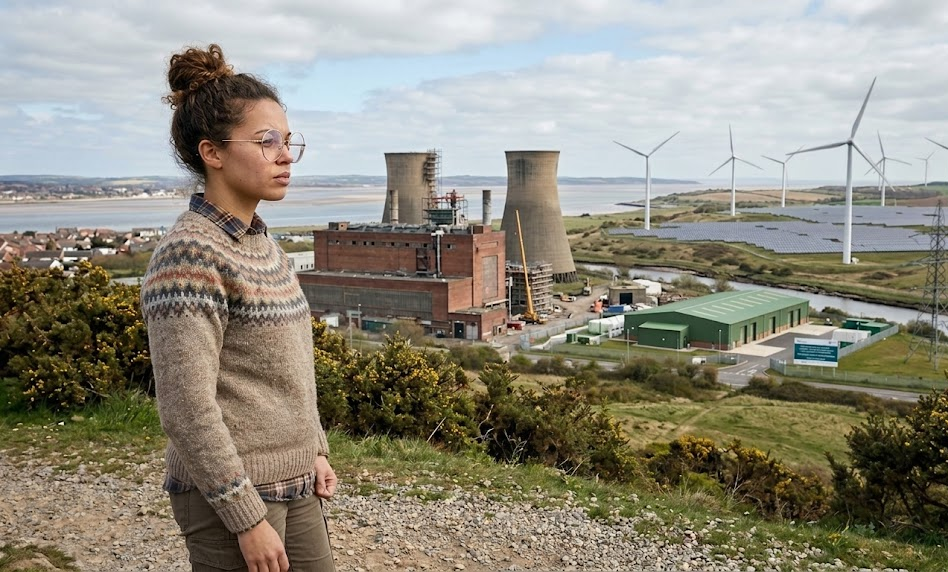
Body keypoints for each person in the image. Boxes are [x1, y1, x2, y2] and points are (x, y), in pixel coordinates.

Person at [141, 43, 337, 572]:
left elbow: (289, 366)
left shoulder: (261, 243)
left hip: (296, 482)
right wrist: (246, 517)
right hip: (235, 496)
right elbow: (186, 409)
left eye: (289, 141)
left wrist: (314, 448)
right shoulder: (188, 258)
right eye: (266, 142)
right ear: (213, 152)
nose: (284, 156)